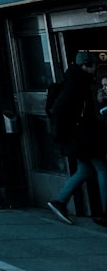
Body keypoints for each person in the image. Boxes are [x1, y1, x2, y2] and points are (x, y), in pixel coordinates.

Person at [47, 50, 107, 226]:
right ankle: (106, 212)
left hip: (79, 138)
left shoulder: (76, 81)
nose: (96, 68)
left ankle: (60, 201)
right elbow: (61, 109)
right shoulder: (77, 83)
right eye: (94, 65)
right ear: (86, 65)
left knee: (85, 170)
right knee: (102, 169)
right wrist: (75, 128)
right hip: (83, 138)